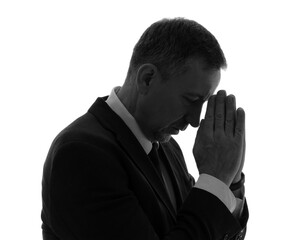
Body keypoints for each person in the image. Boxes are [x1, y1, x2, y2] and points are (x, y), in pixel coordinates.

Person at [41, 18, 248, 240]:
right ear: (147, 79)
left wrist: (230, 181)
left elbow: (198, 227)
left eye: (204, 103)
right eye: (191, 99)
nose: (196, 120)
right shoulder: (81, 155)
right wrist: (215, 179)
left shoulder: (169, 149)